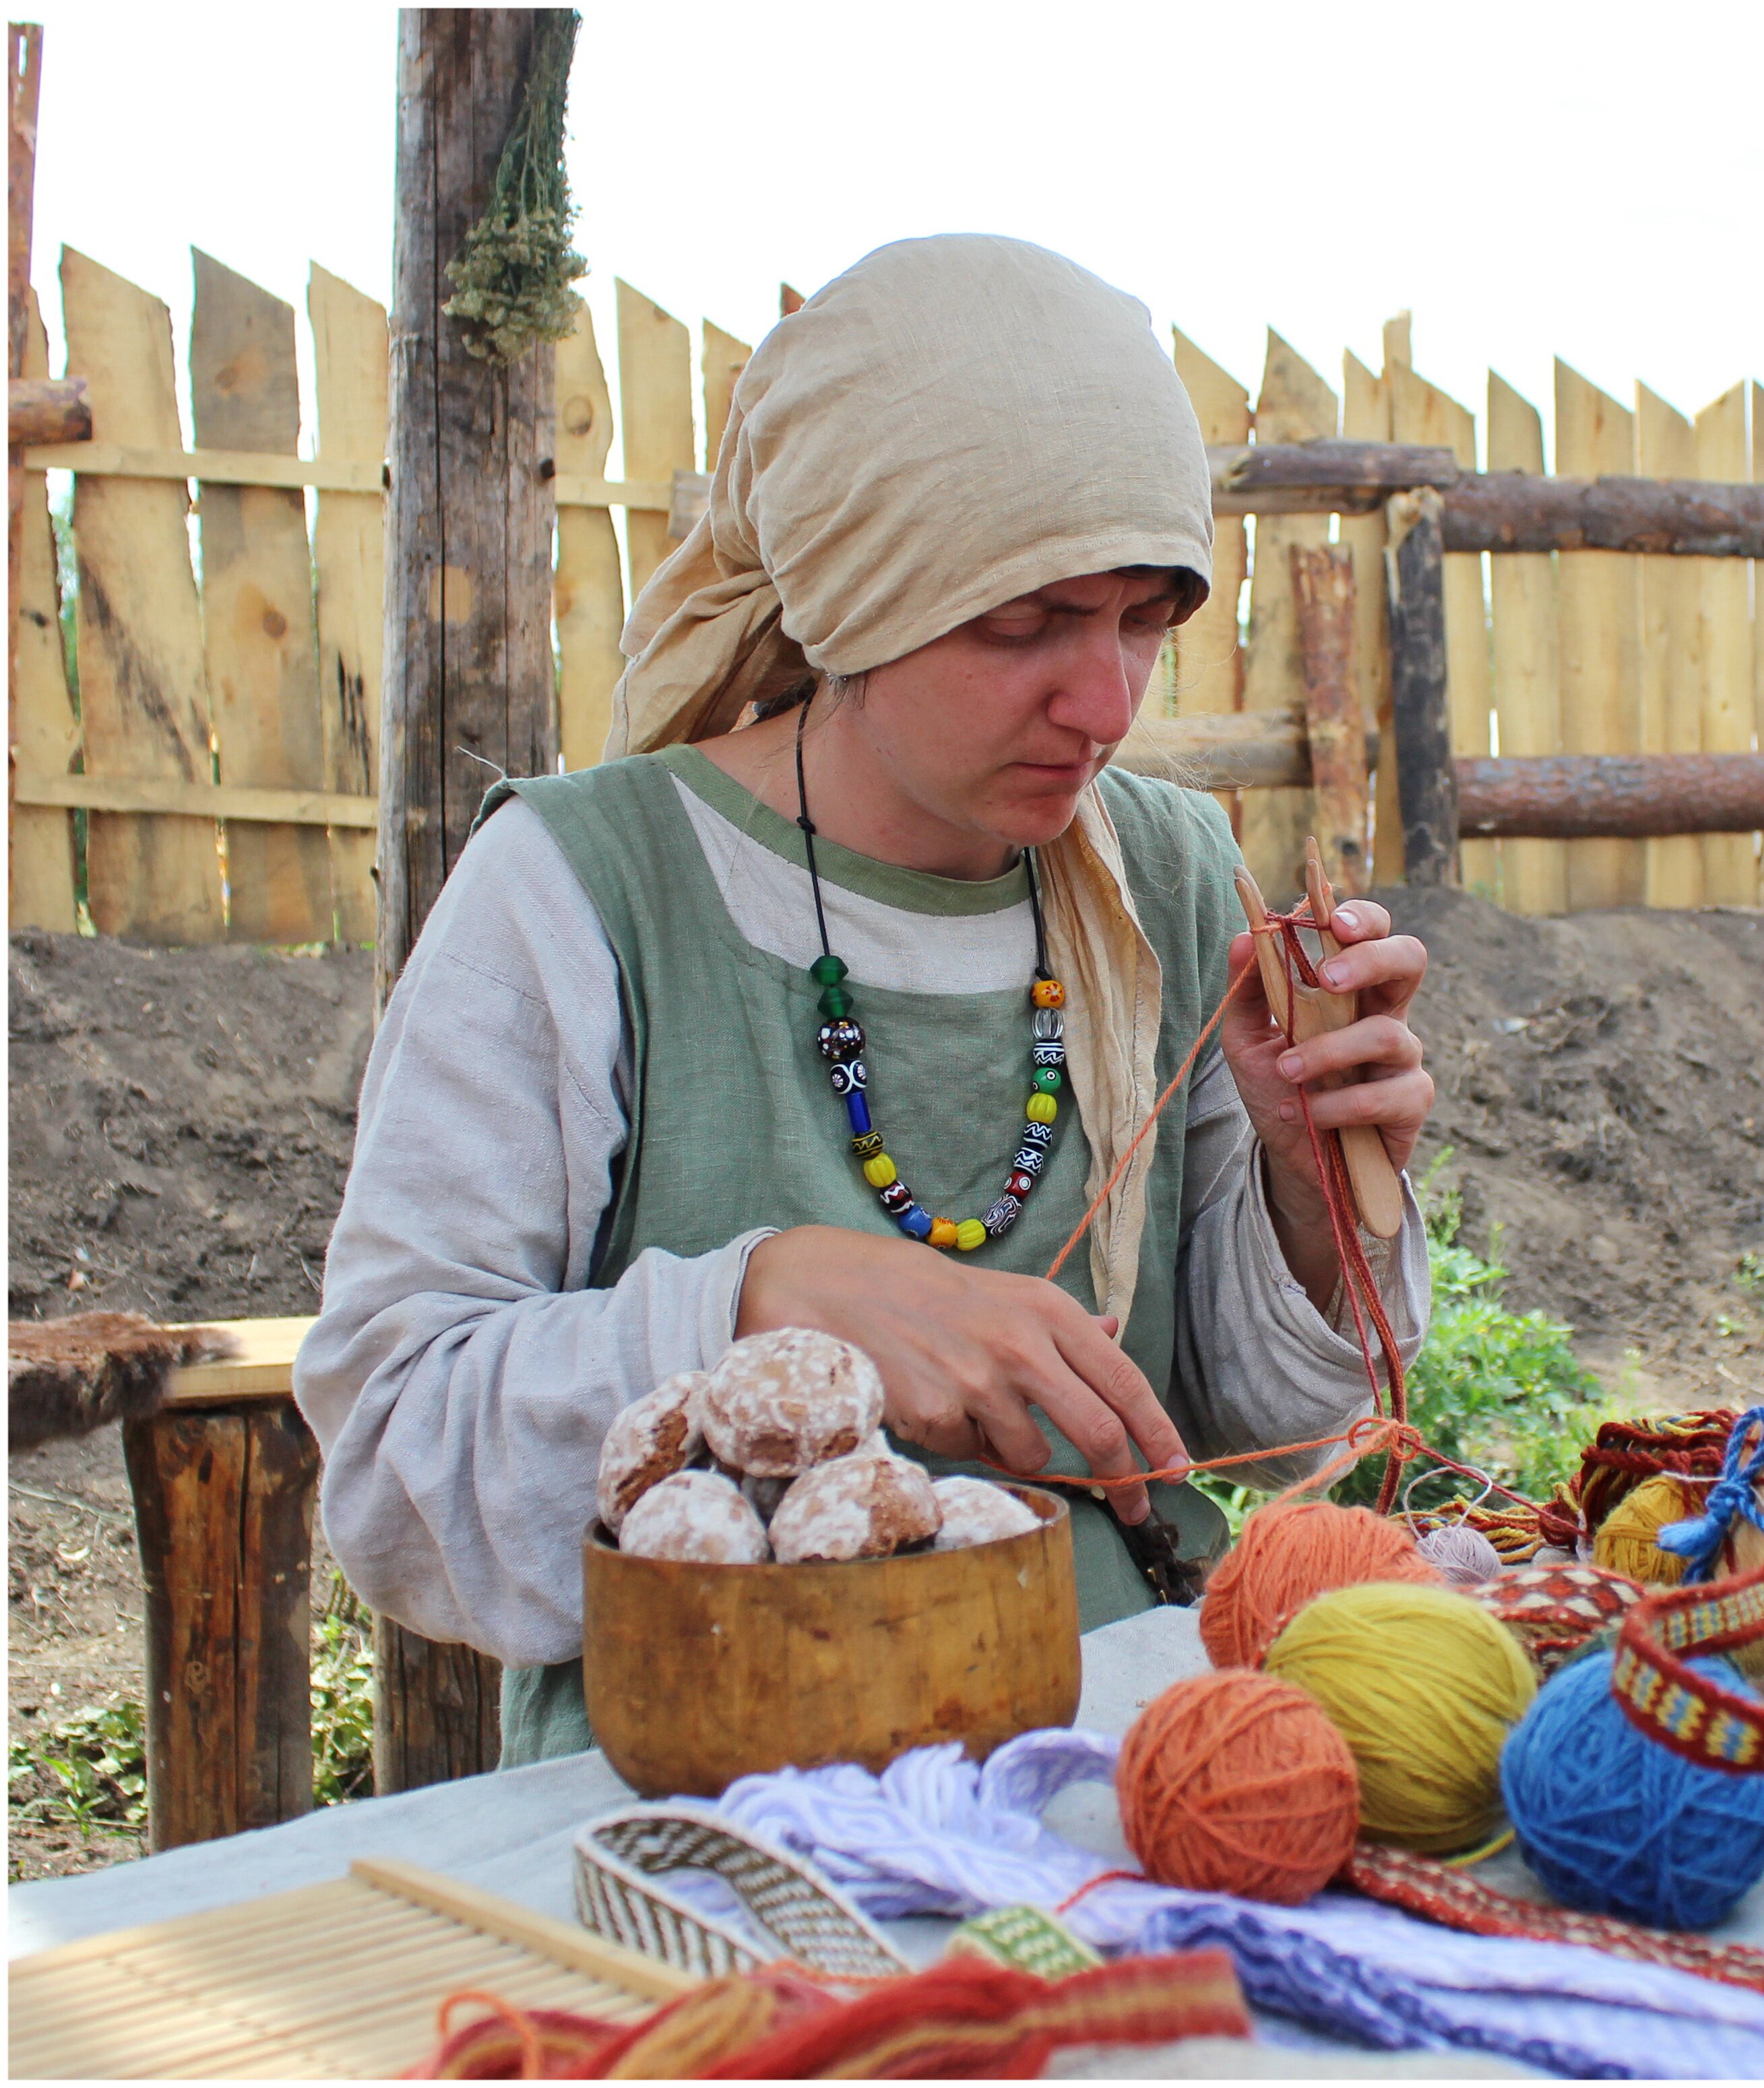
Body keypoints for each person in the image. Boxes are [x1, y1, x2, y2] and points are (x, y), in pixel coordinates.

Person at [294, 236, 1435, 1765]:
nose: (1104, 704)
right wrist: (767, 1301)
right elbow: (392, 1459)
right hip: (712, 1807)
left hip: (1120, 1769)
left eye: (1144, 621)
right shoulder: (581, 889)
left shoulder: (1166, 870)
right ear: (849, 600)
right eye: (1024, 624)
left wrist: (1305, 1183)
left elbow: (1237, 1421)